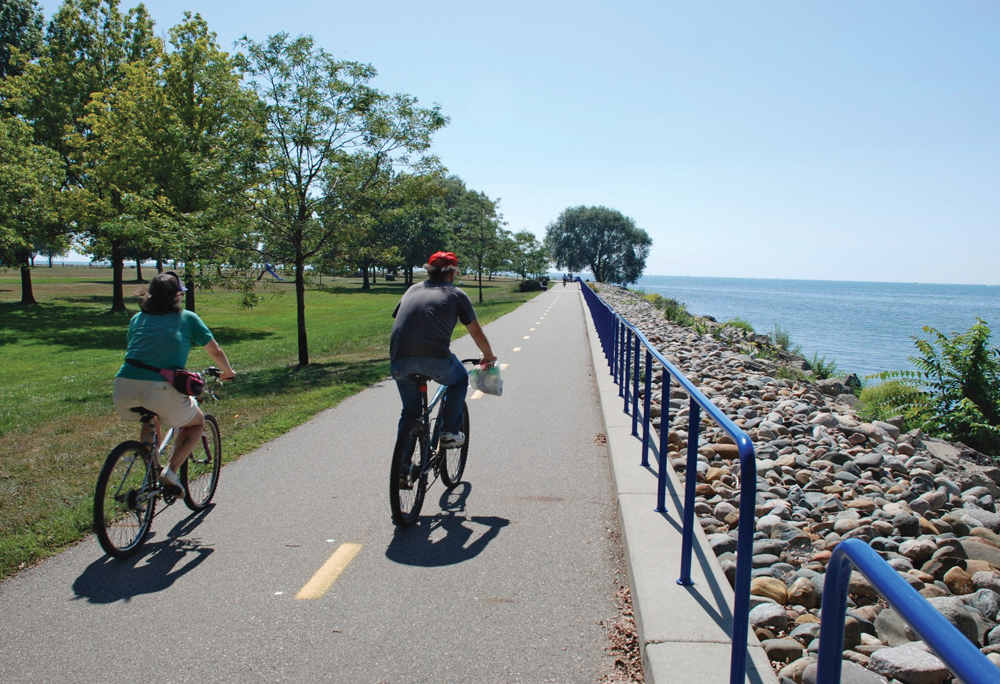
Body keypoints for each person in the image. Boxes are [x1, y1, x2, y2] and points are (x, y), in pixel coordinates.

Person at [112, 271, 236, 497]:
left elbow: (134, 346)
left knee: (150, 416)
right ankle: (170, 470)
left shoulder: (137, 318)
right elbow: (215, 350)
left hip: (123, 385)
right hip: (160, 388)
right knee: (195, 422)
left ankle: (152, 470)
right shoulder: (187, 318)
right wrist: (228, 372)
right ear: (177, 296)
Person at [389, 251, 496, 448]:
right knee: (459, 380)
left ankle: (403, 469)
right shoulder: (456, 294)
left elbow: (401, 320)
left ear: (429, 271)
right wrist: (488, 356)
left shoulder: (411, 290)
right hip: (435, 360)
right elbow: (475, 331)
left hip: (398, 361)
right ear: (453, 273)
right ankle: (449, 432)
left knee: (410, 412)